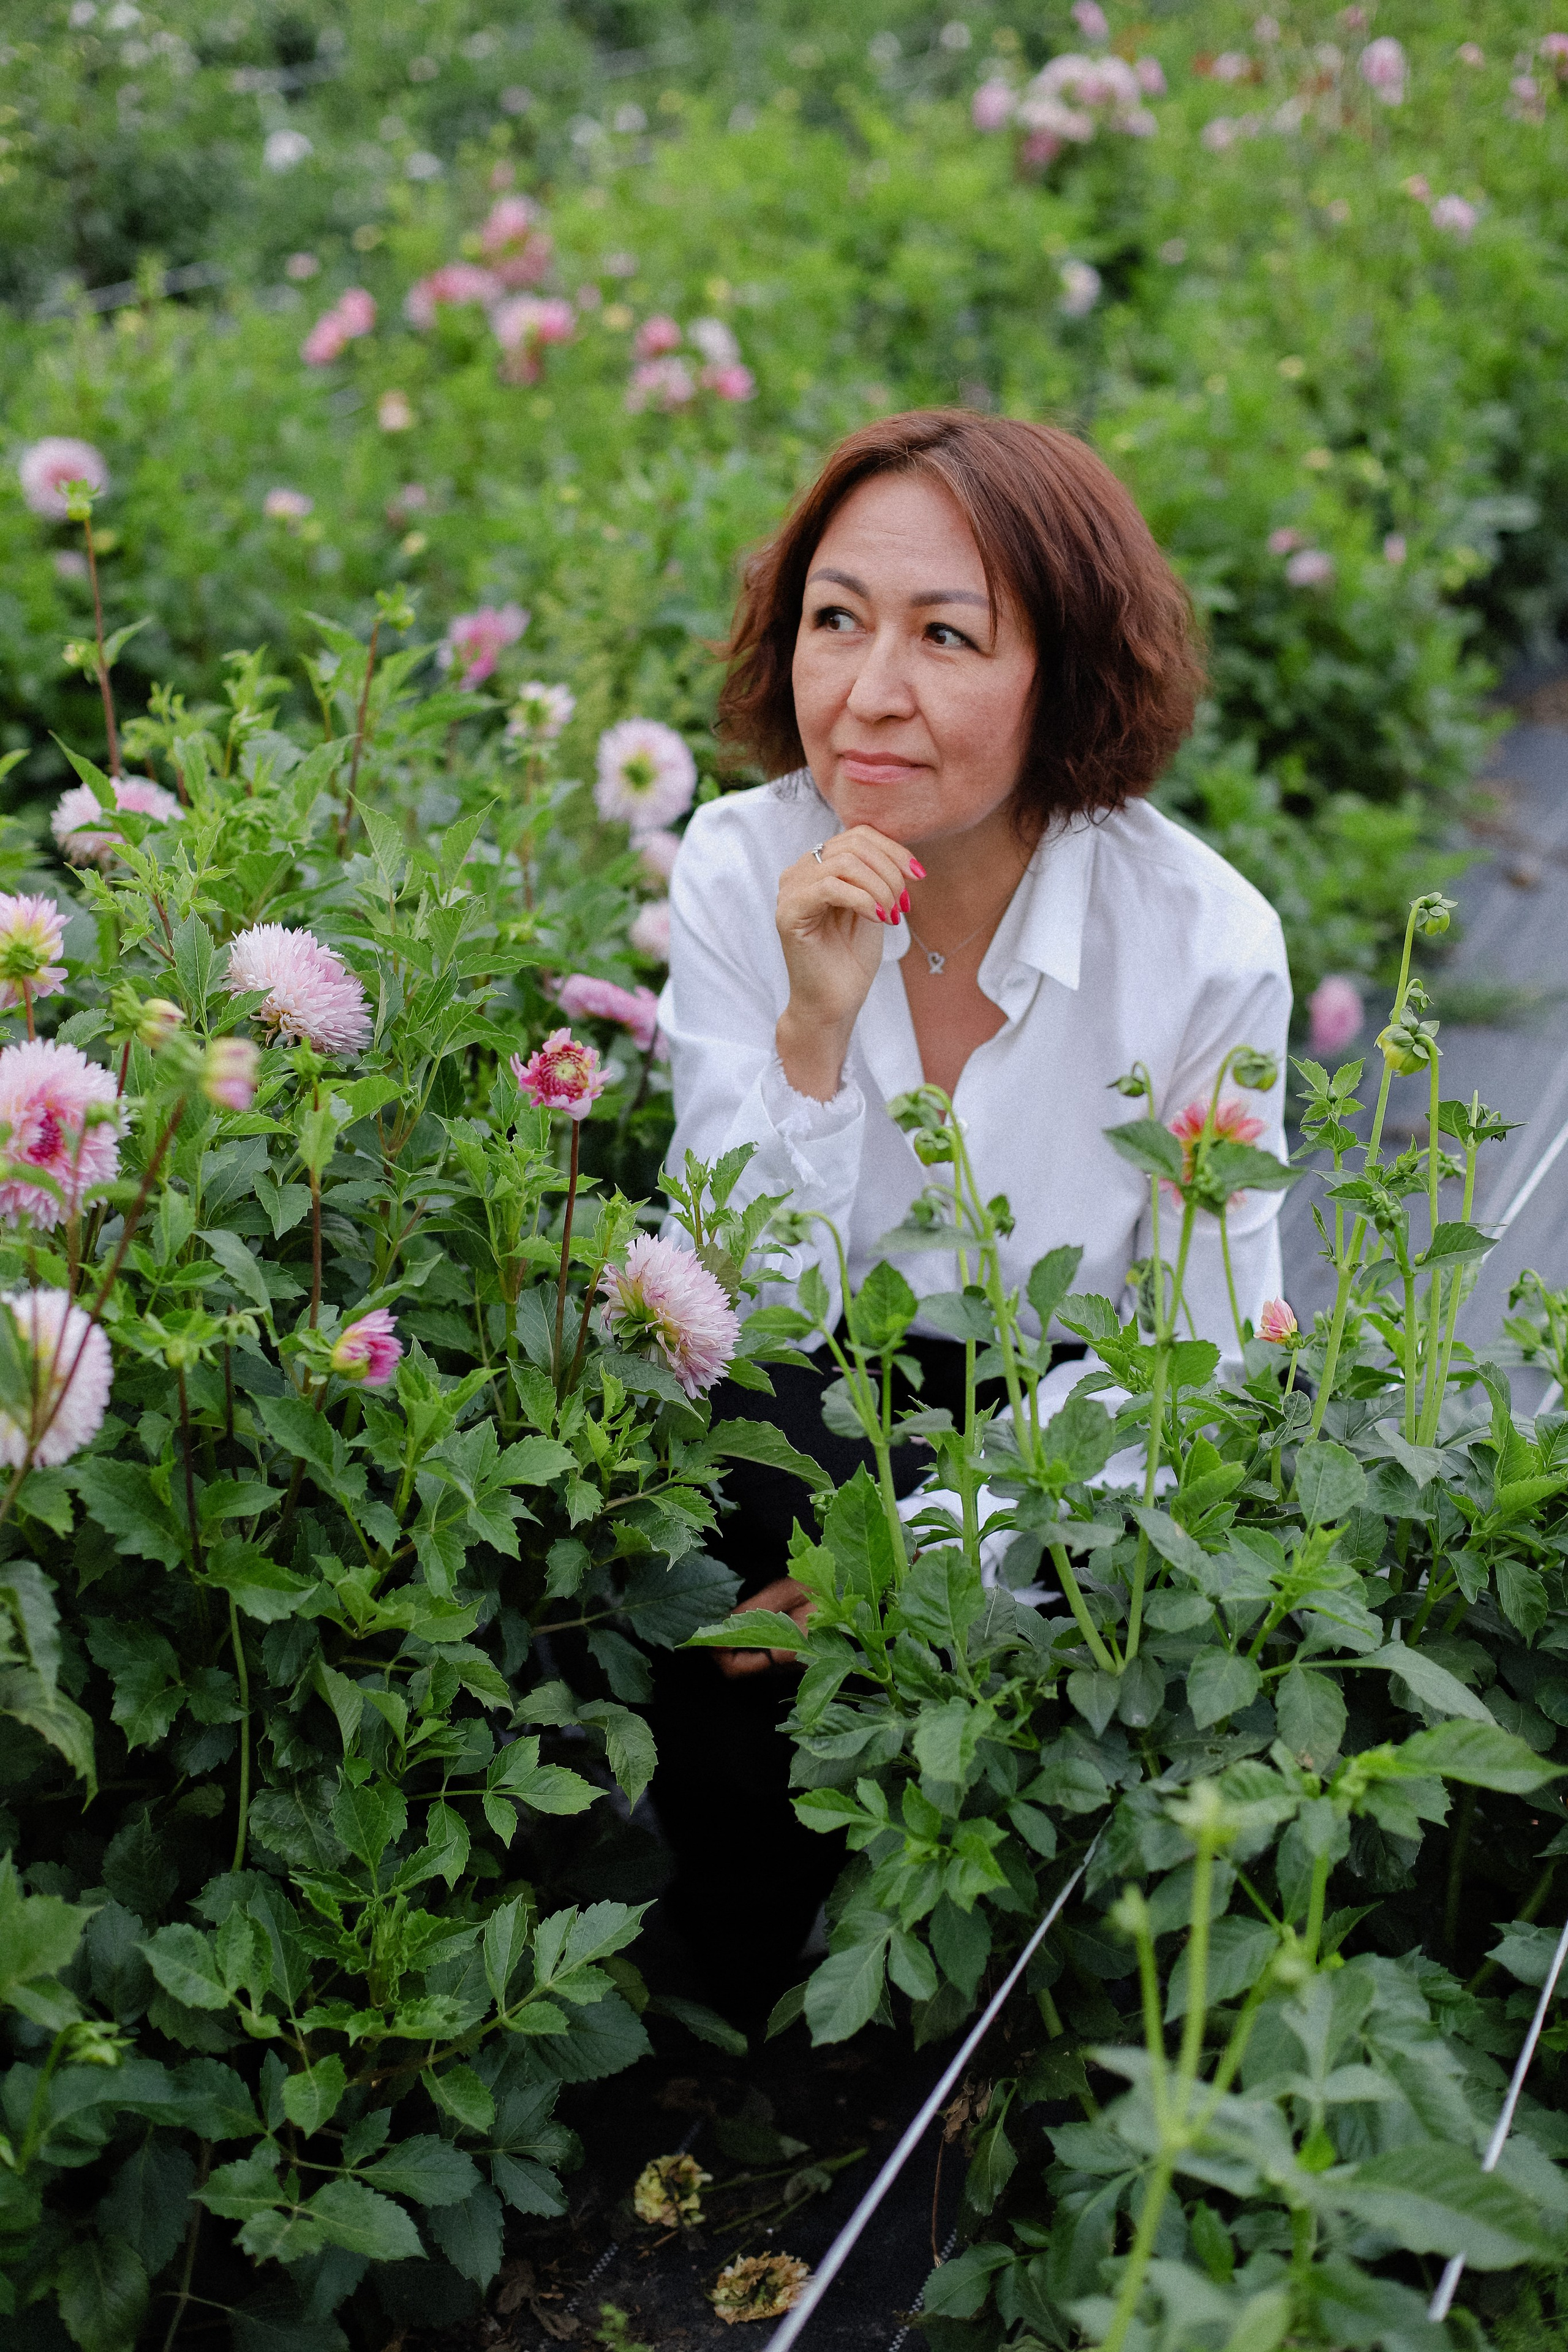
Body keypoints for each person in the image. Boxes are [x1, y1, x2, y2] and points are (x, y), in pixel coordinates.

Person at [645, 410, 1291, 2009]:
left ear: (1063, 673)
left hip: (1077, 1421)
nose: (869, 693)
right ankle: (724, 2026)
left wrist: (912, 1566)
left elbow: (1200, 1370)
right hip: (811, 1393)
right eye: (837, 618)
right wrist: (813, 1036)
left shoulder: (1201, 944)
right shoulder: (741, 870)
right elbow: (743, 1313)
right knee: (732, 1678)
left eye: (948, 635)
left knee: (1087, 1789)